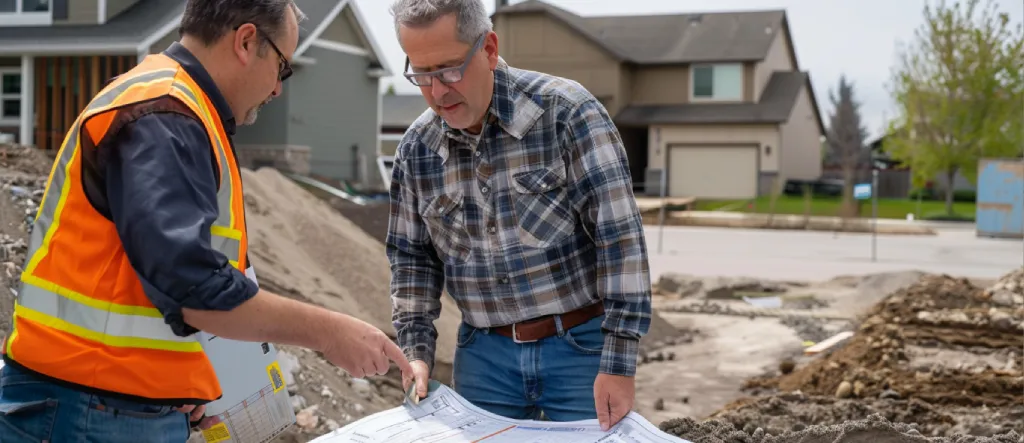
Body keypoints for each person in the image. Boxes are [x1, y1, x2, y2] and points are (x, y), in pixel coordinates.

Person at [0, 1, 411, 442]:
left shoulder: (176, 110)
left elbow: (140, 285)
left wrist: (174, 375)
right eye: (282, 67)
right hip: (88, 412)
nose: (277, 90)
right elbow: (196, 288)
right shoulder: (164, 116)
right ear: (247, 41)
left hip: (102, 403)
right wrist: (330, 332)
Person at [386, 0, 653, 432]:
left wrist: (620, 361)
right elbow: (411, 258)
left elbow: (619, 240)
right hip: (484, 357)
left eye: (450, 70)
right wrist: (416, 351)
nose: (437, 92)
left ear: (488, 49)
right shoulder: (417, 150)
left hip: (581, 348)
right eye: (422, 75)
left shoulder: (568, 115)